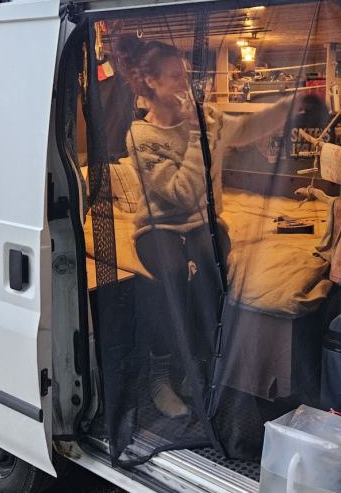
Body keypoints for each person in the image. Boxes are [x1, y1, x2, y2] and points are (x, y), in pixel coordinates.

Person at [115, 34, 299, 418]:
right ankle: (159, 375)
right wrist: (198, 133)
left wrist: (290, 106)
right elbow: (181, 193)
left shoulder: (208, 116)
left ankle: (193, 366)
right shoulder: (141, 136)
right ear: (151, 82)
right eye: (174, 77)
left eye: (185, 75)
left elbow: (245, 130)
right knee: (171, 275)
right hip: (159, 227)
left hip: (203, 222)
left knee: (211, 273)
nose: (185, 83)